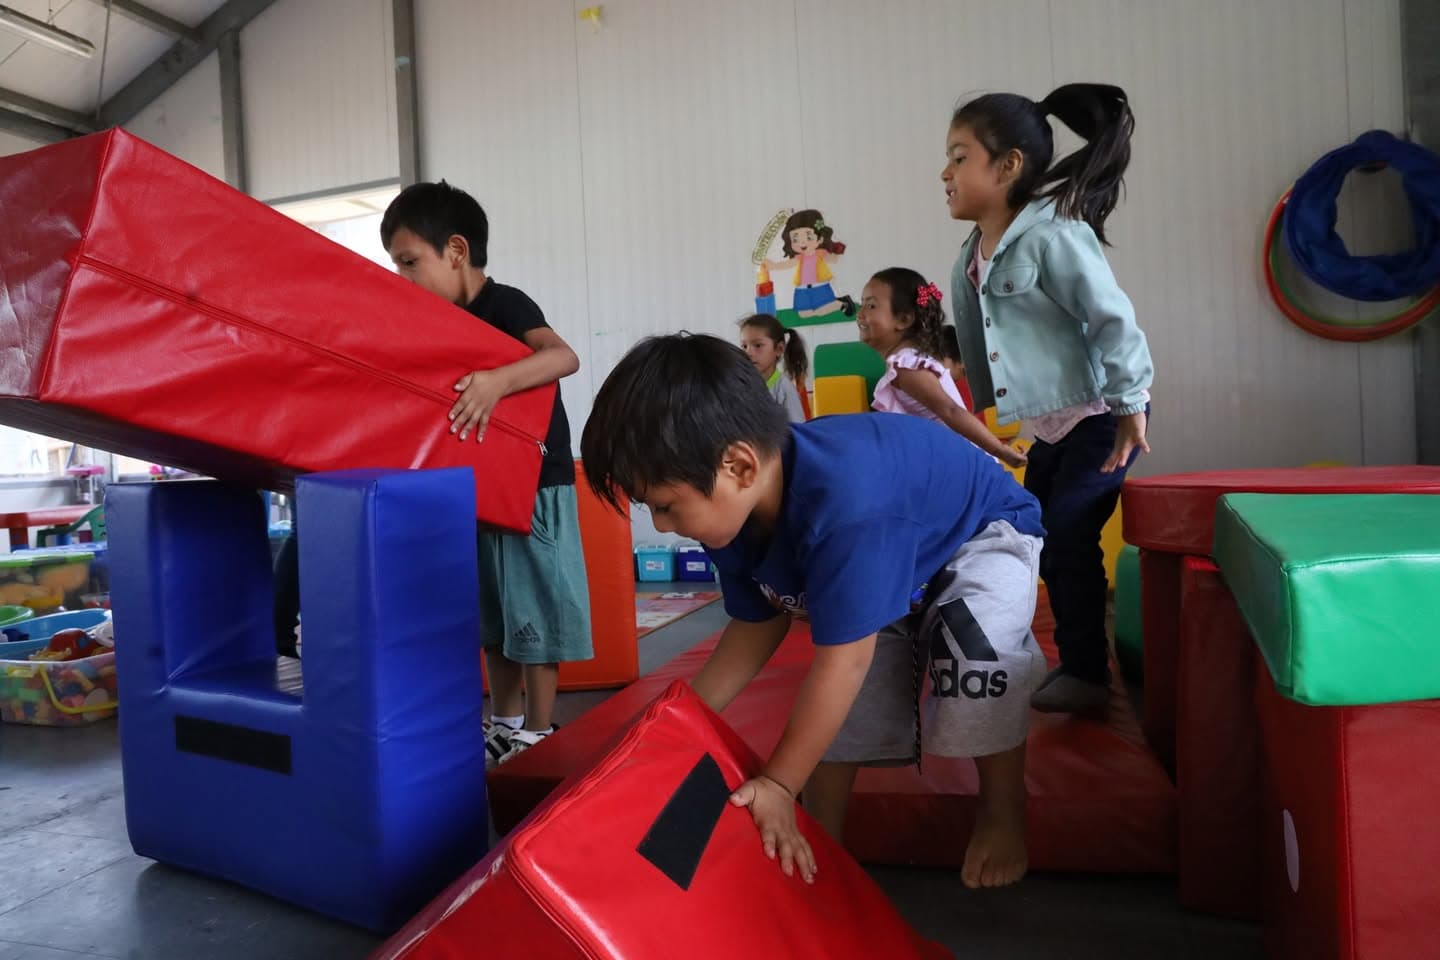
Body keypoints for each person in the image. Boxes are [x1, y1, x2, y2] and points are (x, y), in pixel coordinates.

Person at [580, 333, 1046, 889]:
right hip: (898, 543)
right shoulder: (731, 514)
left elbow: (840, 663)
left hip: (979, 529)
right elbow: (757, 623)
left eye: (664, 506)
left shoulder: (846, 509)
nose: (659, 525)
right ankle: (823, 835)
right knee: (853, 696)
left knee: (974, 657)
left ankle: (1001, 809)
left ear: (739, 467)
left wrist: (779, 783)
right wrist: (671, 722)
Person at [942, 83, 1154, 714]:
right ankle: (1073, 662)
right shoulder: (974, 253)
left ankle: (1088, 673)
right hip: (1053, 427)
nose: (944, 172)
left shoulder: (1052, 234)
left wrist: (1130, 405)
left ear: (1006, 165)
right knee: (1037, 535)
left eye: (959, 157)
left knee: (1067, 534)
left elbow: (1110, 318)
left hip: (1099, 414)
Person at [381, 180, 592, 764]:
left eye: (409, 262)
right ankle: (501, 721)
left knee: (536, 606)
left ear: (455, 250)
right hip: (481, 486)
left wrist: (500, 380)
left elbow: (562, 357)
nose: (404, 279)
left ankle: (539, 728)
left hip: (535, 485)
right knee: (496, 613)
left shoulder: (506, 304)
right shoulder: (436, 322)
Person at [857, 266, 1025, 468]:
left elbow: (951, 410)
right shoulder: (907, 364)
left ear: (904, 319)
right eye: (862, 304)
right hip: (955, 465)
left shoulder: (907, 367)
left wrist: (999, 450)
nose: (860, 313)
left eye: (871, 306)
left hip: (966, 468)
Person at [740, 313, 809, 422]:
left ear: (779, 349)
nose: (748, 352)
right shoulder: (741, 385)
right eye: (744, 346)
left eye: (758, 345)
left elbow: (797, 431)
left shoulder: (784, 390)